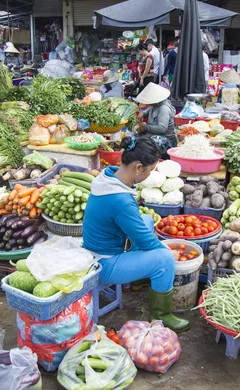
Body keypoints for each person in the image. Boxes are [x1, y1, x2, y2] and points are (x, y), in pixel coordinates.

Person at [82, 135, 190, 332]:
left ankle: (139, 279)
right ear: (138, 167)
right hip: (102, 265)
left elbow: (138, 228)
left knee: (147, 221)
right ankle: (161, 316)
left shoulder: (109, 177)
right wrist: (167, 251)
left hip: (94, 252)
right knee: (164, 259)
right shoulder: (120, 200)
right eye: (149, 170)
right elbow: (146, 242)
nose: (149, 174)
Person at [136, 82, 176, 155]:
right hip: (153, 133)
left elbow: (162, 128)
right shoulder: (155, 105)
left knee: (143, 144)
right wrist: (143, 114)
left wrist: (145, 127)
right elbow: (148, 111)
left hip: (165, 139)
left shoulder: (164, 109)